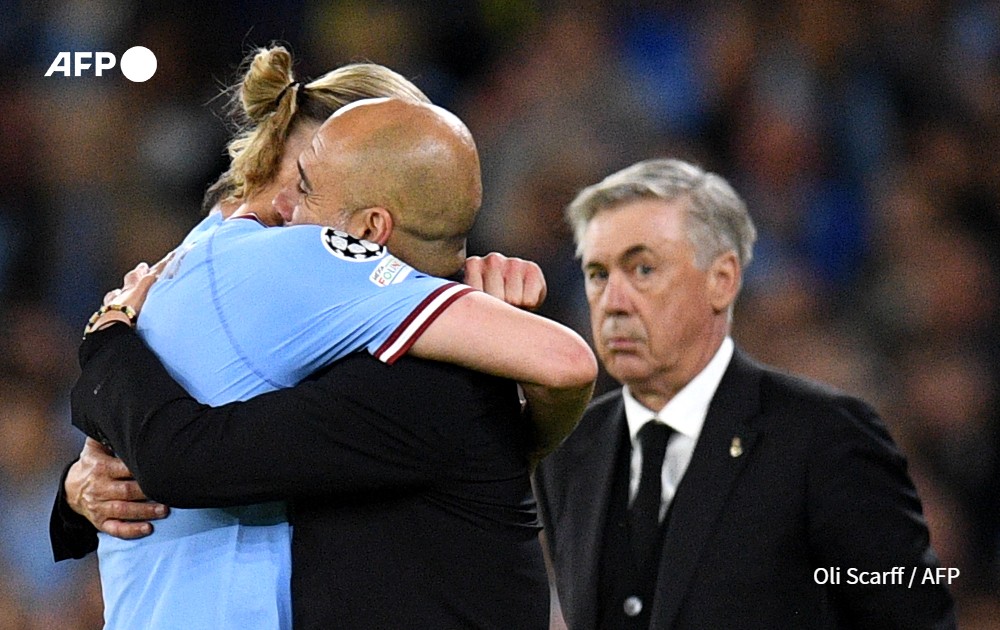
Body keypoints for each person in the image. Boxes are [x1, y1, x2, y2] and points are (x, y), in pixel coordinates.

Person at [55, 51, 596, 629]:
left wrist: (106, 342)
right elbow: (184, 455)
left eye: (310, 188)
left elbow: (182, 449)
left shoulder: (208, 265)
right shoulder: (278, 264)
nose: (289, 213)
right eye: (301, 181)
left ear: (373, 223)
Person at [532, 158, 957, 629]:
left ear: (722, 280)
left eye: (643, 269)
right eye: (598, 274)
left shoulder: (825, 439)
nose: (613, 301)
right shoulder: (571, 451)